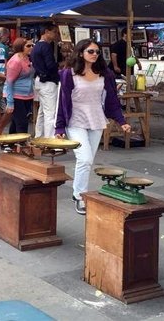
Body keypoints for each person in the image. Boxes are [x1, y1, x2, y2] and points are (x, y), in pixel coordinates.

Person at [56, 39, 130, 215]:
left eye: (97, 52)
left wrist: (122, 121)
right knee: (85, 158)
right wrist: (59, 128)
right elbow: (62, 102)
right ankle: (80, 196)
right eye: (90, 51)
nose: (95, 54)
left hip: (96, 120)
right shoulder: (68, 74)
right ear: (81, 53)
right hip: (75, 121)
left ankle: (78, 192)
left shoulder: (105, 74)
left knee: (88, 161)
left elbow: (112, 101)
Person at [0, 37, 35, 134]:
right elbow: (9, 82)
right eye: (28, 46)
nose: (31, 47)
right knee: (22, 123)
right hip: (15, 95)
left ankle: (12, 141)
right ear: (20, 47)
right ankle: (21, 142)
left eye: (32, 45)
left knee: (16, 122)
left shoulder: (27, 58)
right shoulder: (15, 61)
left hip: (27, 95)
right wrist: (10, 102)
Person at [30, 23, 60, 138]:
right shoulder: (46, 46)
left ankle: (39, 136)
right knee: (50, 113)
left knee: (42, 111)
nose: (56, 35)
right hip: (47, 81)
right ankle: (49, 138)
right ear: (47, 32)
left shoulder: (36, 46)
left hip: (39, 80)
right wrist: (59, 65)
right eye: (54, 32)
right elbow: (50, 65)